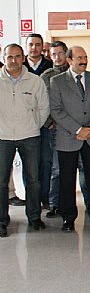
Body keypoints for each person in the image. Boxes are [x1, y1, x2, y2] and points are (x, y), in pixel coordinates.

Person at [50, 46, 90, 232]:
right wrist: (77, 129)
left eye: (85, 57)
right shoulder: (57, 81)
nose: (84, 61)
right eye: (79, 58)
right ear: (69, 60)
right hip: (68, 137)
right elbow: (56, 110)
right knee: (67, 180)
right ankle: (68, 218)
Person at [0, 44, 49, 238]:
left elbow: (44, 107)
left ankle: (34, 217)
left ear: (23, 58)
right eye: (9, 57)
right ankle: (2, 220)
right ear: (3, 58)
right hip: (3, 137)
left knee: (33, 180)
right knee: (1, 182)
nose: (13, 61)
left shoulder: (35, 81)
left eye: (17, 56)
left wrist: (34, 126)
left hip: (29, 136)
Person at [39, 41, 69, 214]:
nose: (57, 57)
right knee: (56, 169)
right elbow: (41, 102)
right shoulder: (46, 76)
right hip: (55, 128)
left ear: (66, 53)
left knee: (80, 168)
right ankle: (54, 204)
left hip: (75, 127)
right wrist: (48, 122)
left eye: (60, 53)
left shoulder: (75, 73)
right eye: (54, 54)